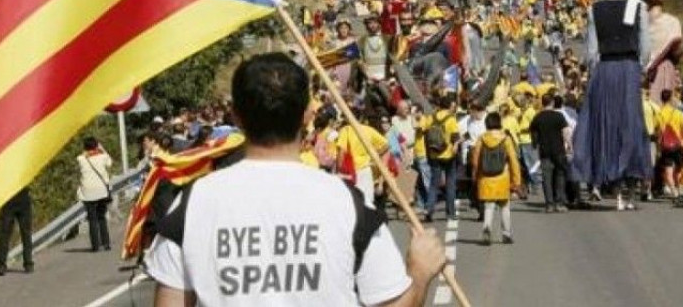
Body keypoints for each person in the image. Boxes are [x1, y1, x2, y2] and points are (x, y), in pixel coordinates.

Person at [145, 53, 447, 306]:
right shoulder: (346, 202)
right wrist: (419, 272)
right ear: (306, 116)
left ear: (235, 116)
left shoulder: (193, 204)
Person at [572, 0, 652, 211]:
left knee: (604, 124)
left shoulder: (594, 8)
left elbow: (591, 51)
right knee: (631, 124)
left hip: (604, 70)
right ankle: (630, 184)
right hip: (629, 68)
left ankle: (609, 182)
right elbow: (645, 48)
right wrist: (639, 67)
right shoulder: (638, 7)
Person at [471, 112, 522, 245]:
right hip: (503, 177)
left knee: (489, 206)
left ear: (487, 123)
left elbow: (475, 160)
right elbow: (513, 160)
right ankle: (506, 234)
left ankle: (487, 229)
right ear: (499, 123)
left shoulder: (482, 139)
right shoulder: (506, 139)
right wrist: (516, 181)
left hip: (486, 178)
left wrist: (475, 176)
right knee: (505, 206)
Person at [643, 0, 683, 103]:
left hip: (640, 76)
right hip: (663, 76)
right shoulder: (673, 22)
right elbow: (676, 53)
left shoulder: (639, 22)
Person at [530, 94, 571, 213]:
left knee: (546, 178)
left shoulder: (538, 117)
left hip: (544, 151)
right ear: (552, 103)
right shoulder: (559, 116)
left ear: (542, 103)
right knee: (560, 176)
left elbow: (533, 132)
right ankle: (559, 203)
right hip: (558, 150)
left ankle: (549, 204)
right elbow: (565, 132)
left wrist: (535, 144)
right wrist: (569, 145)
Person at [427, 93, 461, 221]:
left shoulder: (431, 117)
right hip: (448, 154)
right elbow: (455, 137)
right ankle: (450, 213)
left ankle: (429, 210)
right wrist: (456, 146)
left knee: (434, 184)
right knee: (450, 184)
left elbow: (426, 133)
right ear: (449, 106)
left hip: (434, 154)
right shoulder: (451, 119)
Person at [77, 136, 113, 252]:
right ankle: (106, 243)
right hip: (101, 191)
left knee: (92, 219)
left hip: (87, 192)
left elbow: (81, 158)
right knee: (101, 217)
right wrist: (102, 149)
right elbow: (110, 163)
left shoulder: (81, 159)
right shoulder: (102, 157)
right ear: (96, 146)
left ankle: (95, 245)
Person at [656, 89, 683, 202]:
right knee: (679, 169)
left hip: (666, 147)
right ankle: (680, 190)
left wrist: (659, 147)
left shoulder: (659, 113)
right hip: (678, 145)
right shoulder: (678, 113)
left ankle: (674, 193)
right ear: (670, 98)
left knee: (668, 170)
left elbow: (659, 132)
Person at [0, 187, 34, 276]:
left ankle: (1, 265)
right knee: (26, 233)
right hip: (22, 197)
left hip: (9, 198)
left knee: (5, 234)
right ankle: (28, 264)